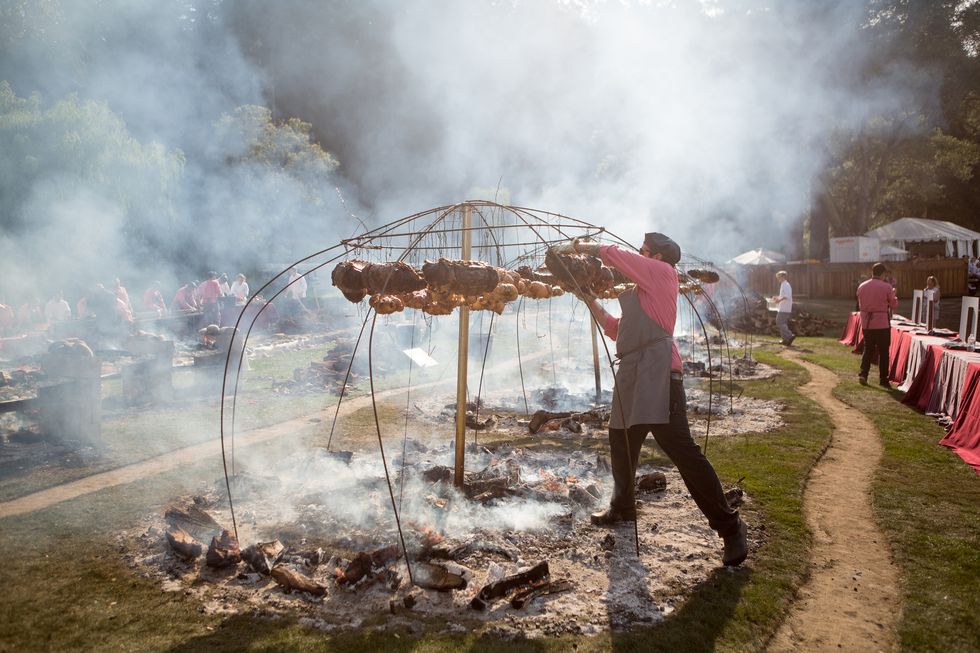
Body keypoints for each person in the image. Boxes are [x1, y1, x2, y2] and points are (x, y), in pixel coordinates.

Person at [560, 232, 747, 567]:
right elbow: (618, 329)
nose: (640, 256)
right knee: (620, 439)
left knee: (682, 452)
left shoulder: (664, 274)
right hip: (633, 372)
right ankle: (622, 506)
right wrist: (589, 299)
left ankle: (730, 528)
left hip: (660, 373)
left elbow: (618, 256)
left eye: (645, 252)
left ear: (658, 257)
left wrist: (584, 248)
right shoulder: (641, 293)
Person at [857, 262, 898, 388]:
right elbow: (894, 305)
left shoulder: (862, 286)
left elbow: (860, 304)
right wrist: (894, 296)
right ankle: (883, 379)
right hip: (881, 323)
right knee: (883, 351)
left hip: (867, 323)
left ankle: (863, 374)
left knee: (868, 349)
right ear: (882, 274)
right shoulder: (886, 287)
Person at [771, 270, 795, 346]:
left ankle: (790, 335)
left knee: (779, 321)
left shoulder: (786, 285)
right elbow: (783, 295)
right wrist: (777, 297)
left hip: (785, 308)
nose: (778, 279)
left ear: (783, 277)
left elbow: (787, 296)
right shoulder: (783, 284)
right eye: (777, 277)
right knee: (782, 323)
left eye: (779, 277)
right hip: (783, 307)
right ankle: (785, 340)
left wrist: (779, 300)